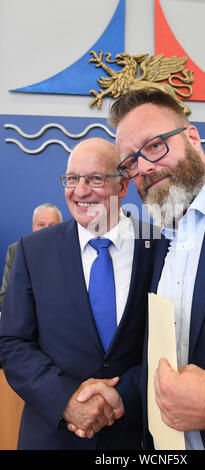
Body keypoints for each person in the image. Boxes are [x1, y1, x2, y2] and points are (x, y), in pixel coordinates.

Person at [74, 88, 205, 451]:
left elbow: (201, 390)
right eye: (130, 162)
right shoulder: (160, 248)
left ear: (191, 137)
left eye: (154, 146)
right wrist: (122, 394)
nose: (145, 168)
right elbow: (177, 360)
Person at [0, 137, 156, 450]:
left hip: (134, 435)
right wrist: (66, 400)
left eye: (95, 178)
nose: (80, 191)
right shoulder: (32, 250)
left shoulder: (157, 244)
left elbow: (174, 340)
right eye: (72, 179)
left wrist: (122, 395)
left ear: (123, 186)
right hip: (52, 435)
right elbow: (12, 342)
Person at [0, 203, 63, 308]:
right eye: (41, 225)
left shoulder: (71, 249)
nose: (46, 229)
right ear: (33, 227)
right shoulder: (16, 250)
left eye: (52, 225)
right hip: (26, 315)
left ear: (61, 227)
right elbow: (6, 296)